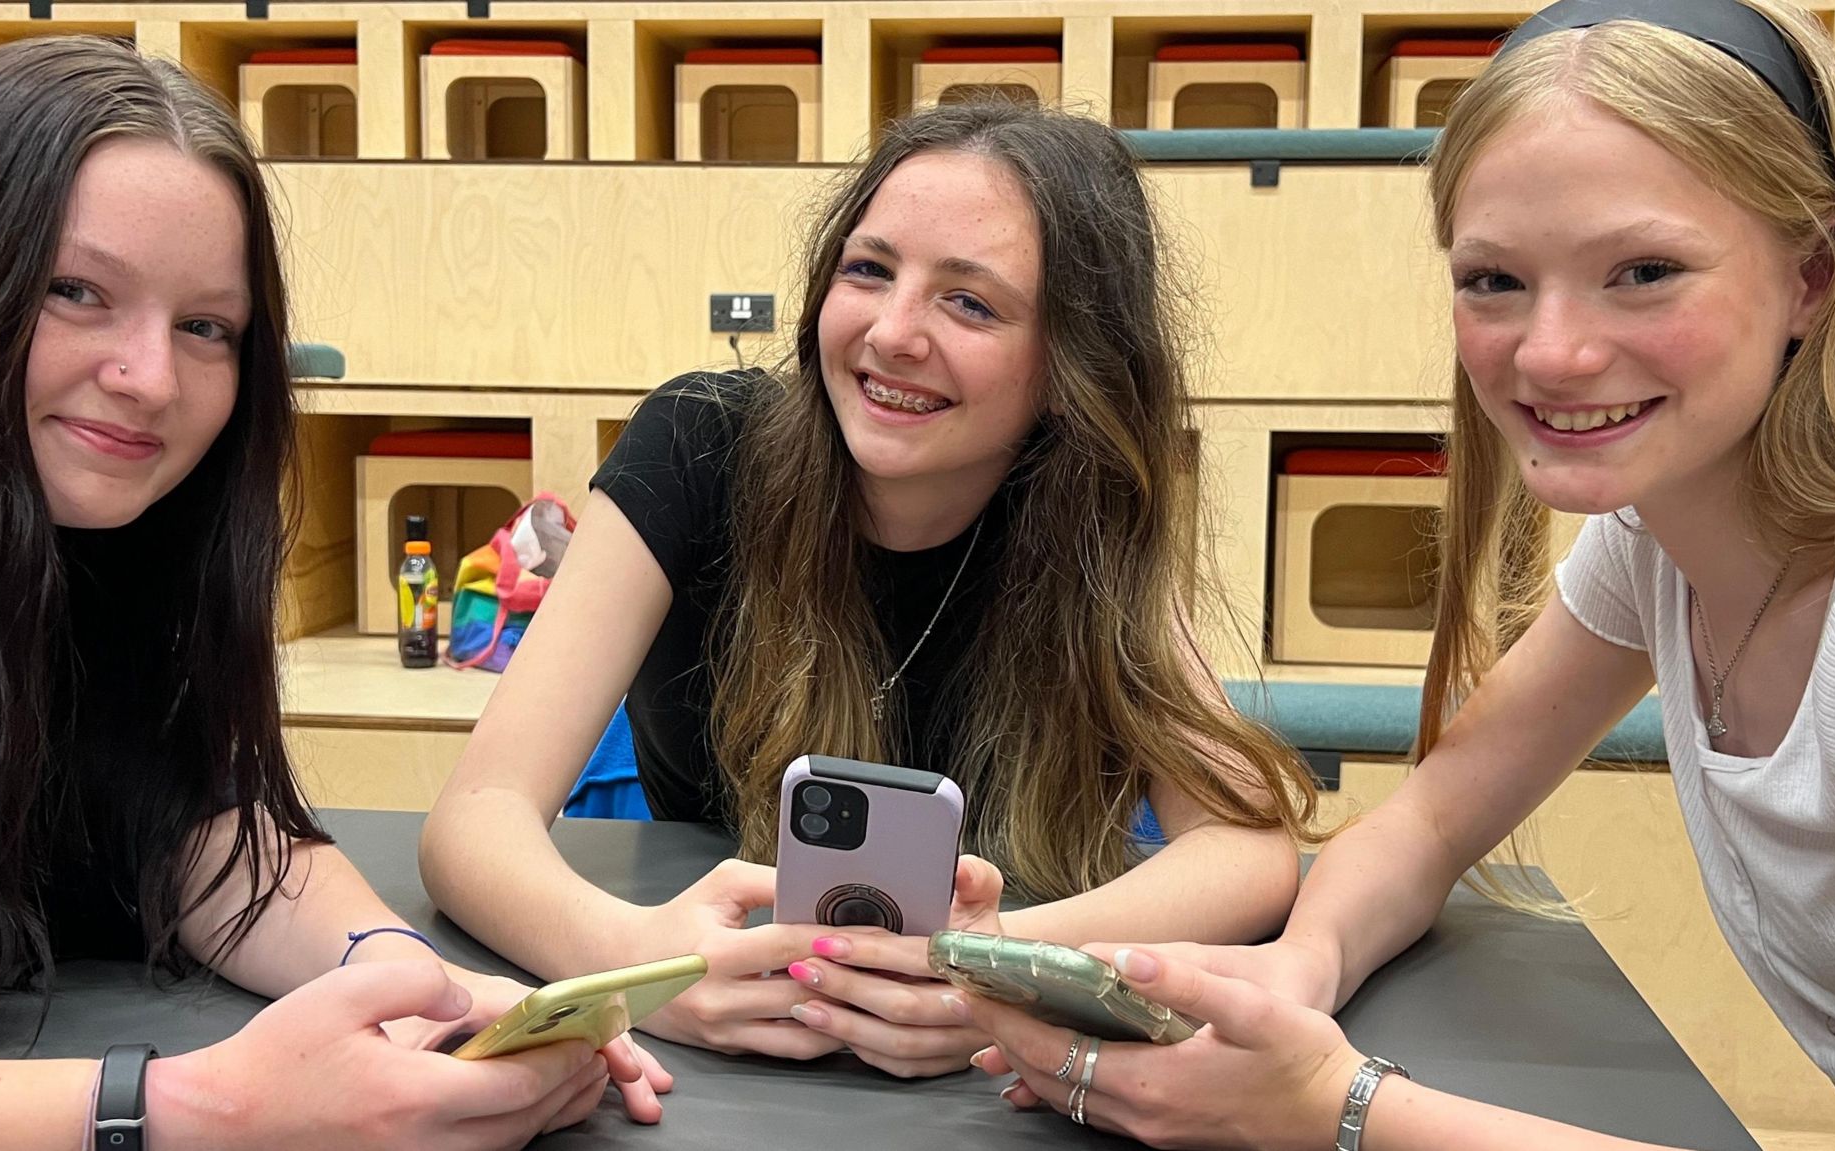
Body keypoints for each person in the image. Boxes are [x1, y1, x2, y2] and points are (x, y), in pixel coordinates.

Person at [956, 0, 1835, 1146]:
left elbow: (1344, 1081)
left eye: (1644, 270)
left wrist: (1339, 1108)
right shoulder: (1650, 541)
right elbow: (1421, 827)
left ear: (1810, 274)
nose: (1550, 351)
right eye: (1493, 280)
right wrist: (1292, 971)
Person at [0, 36, 670, 1149]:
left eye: (207, 327)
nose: (150, 378)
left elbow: (196, 825)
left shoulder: (109, 545)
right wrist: (179, 1108)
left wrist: (406, 979)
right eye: (75, 291)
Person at [419, 100, 1323, 1079]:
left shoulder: (1091, 513)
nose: (892, 333)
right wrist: (643, 964)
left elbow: (1244, 849)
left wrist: (995, 966)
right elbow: (475, 819)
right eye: (868, 270)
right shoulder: (693, 443)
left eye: (968, 302)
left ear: (1069, 366)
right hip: (727, 1048)